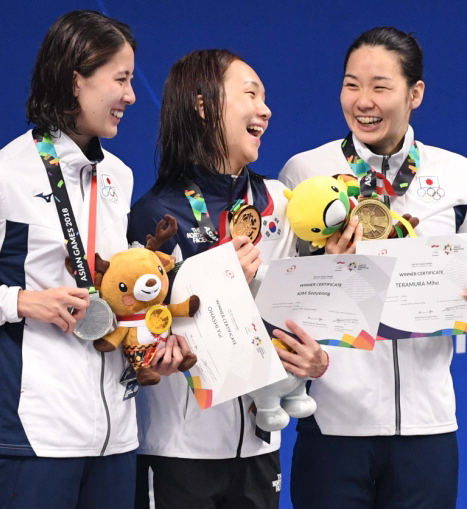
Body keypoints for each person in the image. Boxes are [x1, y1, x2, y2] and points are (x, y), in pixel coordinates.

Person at [0, 10, 185, 509]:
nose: (132, 96)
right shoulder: (0, 181)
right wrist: (21, 301)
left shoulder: (118, 176)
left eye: (132, 80)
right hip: (34, 437)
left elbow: (116, 293)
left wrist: (151, 337)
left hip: (117, 434)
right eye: (120, 79)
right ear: (76, 80)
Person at [280, 27, 467, 509]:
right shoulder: (304, 173)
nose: (363, 101)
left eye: (380, 86)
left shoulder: (460, 175)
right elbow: (284, 298)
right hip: (333, 423)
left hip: (429, 427)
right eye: (351, 84)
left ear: (414, 93)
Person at [127, 49, 329, 509]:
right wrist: (218, 276)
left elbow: (303, 310)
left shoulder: (280, 203)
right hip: (181, 449)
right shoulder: (156, 215)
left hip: (262, 446)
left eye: (266, 98)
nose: (265, 109)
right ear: (203, 106)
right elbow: (140, 333)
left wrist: (315, 360)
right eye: (251, 94)